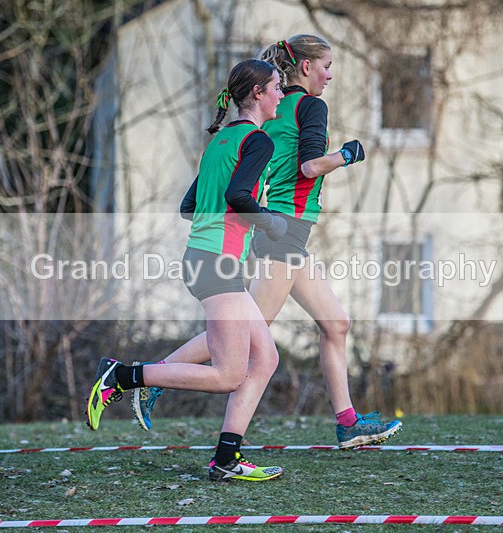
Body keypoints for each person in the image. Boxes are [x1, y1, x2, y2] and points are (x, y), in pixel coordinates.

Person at [133, 35, 402, 450]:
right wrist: (350, 153)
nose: (330, 74)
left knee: (335, 324)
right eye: (326, 65)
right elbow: (310, 166)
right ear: (307, 68)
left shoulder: (272, 108)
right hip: (284, 230)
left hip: (281, 230)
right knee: (247, 339)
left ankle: (347, 422)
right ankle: (157, 381)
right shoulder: (310, 105)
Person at [86, 58, 287, 482]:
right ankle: (123, 375)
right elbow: (238, 196)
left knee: (265, 358)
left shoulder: (219, 141)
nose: (281, 95)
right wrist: (270, 221)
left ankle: (226, 458)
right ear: (257, 94)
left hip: (205, 258)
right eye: (277, 87)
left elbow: (189, 206)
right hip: (218, 263)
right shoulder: (258, 141)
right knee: (229, 374)